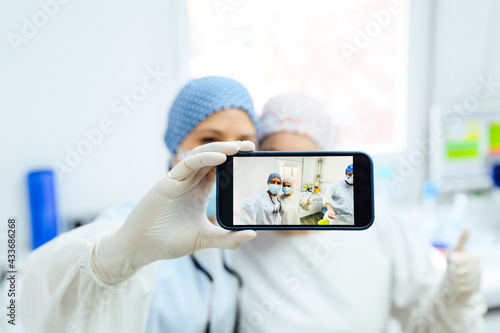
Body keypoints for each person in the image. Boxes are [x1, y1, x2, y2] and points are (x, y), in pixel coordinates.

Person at [20, 76, 260, 333]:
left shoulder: (238, 230)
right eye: (209, 140)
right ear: (177, 150)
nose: (229, 154)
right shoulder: (132, 224)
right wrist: (118, 256)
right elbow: (27, 294)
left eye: (243, 143)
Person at [233, 93, 486, 333]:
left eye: (304, 162)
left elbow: (425, 322)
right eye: (277, 161)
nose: (291, 180)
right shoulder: (238, 236)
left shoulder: (375, 223)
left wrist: (456, 292)